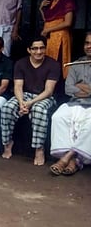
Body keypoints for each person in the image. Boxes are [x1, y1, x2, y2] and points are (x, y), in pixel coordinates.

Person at [0, 36, 60, 165]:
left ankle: (39, 149)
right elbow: (18, 86)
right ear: (29, 50)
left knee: (38, 110)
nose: (38, 52)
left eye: (41, 48)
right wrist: (22, 102)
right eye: (35, 49)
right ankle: (7, 143)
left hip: (44, 96)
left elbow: (49, 90)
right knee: (7, 108)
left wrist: (30, 103)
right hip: (25, 95)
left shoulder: (53, 64)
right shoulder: (21, 63)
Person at [49, 32, 91, 175]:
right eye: (87, 43)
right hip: (74, 103)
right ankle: (73, 161)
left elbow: (75, 87)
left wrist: (80, 86)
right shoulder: (76, 64)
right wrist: (85, 89)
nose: (89, 46)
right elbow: (68, 88)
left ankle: (66, 158)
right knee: (58, 117)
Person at [39, 0, 76, 77]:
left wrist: (48, 30)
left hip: (60, 37)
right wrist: (41, 9)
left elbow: (68, 22)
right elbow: (47, 20)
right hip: (50, 38)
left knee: (58, 64)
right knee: (48, 63)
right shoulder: (53, 0)